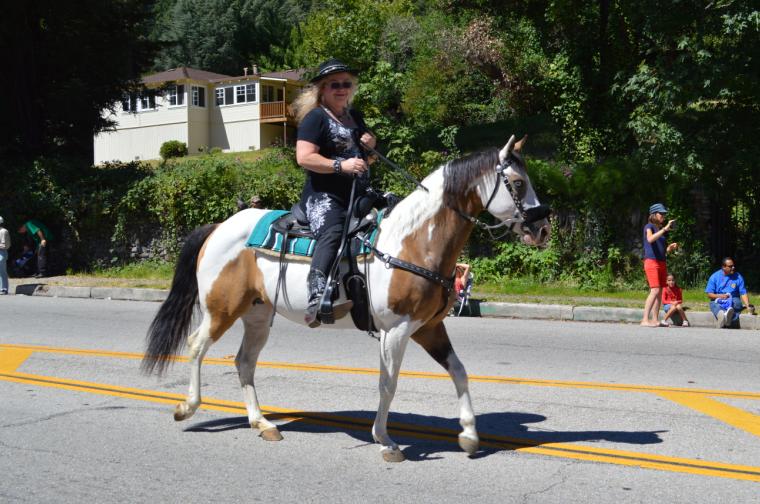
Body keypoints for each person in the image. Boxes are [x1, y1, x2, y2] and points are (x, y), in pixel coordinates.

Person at [293, 58, 377, 326]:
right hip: (325, 196)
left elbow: (365, 160)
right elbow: (304, 157)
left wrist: (371, 146)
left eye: (346, 84)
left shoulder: (355, 117)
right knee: (332, 231)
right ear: (322, 90)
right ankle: (316, 296)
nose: (341, 89)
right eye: (334, 85)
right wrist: (342, 165)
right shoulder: (315, 118)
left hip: (359, 192)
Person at [640, 203, 678, 327]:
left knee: (660, 291)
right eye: (661, 213)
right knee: (655, 290)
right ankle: (645, 320)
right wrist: (665, 229)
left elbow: (660, 248)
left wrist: (669, 248)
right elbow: (650, 239)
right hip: (651, 262)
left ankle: (655, 319)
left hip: (661, 262)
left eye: (664, 214)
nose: (663, 216)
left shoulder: (659, 229)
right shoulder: (649, 226)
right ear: (654, 214)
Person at [705, 257, 754, 328]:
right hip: (719, 299)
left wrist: (747, 305)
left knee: (736, 303)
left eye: (733, 265)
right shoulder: (714, 277)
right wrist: (721, 296)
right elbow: (709, 295)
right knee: (714, 304)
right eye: (730, 266)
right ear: (723, 267)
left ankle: (724, 318)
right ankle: (724, 316)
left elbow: (743, 293)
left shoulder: (738, 277)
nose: (733, 267)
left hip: (733, 299)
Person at [0, 216, 10, 294]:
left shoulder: (3, 231)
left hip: (1, 252)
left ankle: (4, 288)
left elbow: (5, 245)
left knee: (2, 271)